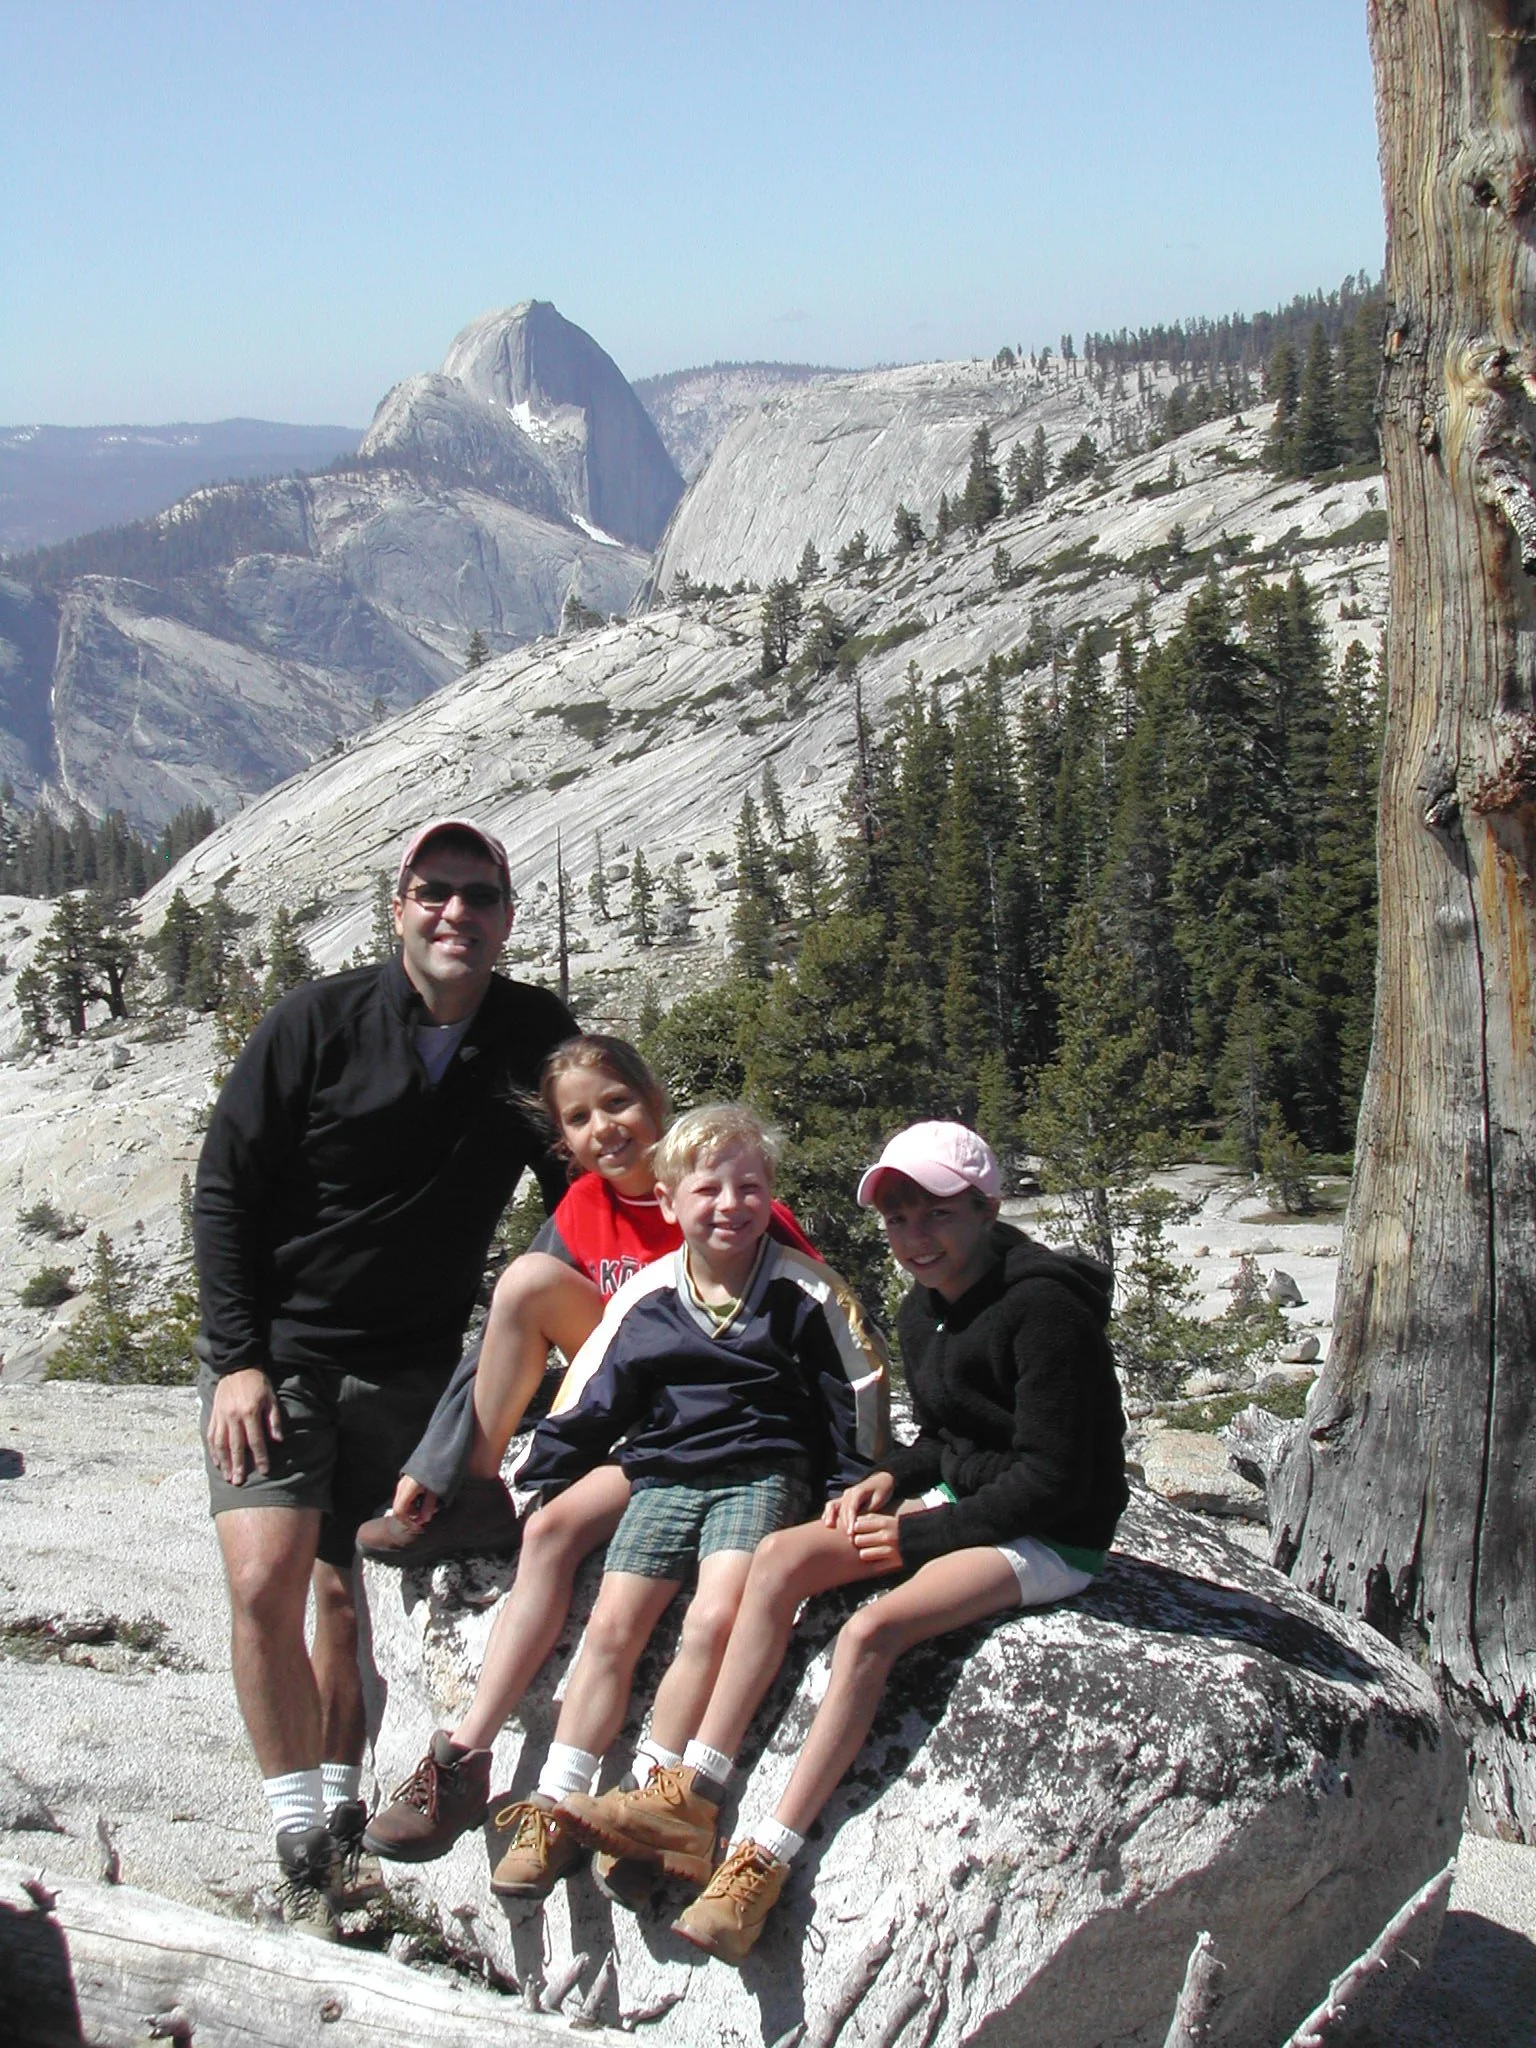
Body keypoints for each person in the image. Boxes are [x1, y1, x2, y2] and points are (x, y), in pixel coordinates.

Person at [559, 1120, 1127, 1964]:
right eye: (897, 1219)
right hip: (970, 1497)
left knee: (871, 1631)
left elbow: (1055, 1481)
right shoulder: (923, 1306)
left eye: (935, 1215)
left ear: (985, 1207)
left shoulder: (1043, 1311)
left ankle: (763, 1865)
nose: (914, 1239)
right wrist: (891, 1477)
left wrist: (918, 1534)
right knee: (781, 1557)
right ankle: (687, 1800)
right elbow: (949, 1431)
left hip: (1052, 1535)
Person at [194, 817, 576, 1934]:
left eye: (479, 894)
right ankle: (295, 1820)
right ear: (398, 906)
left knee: (339, 1590)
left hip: (416, 1367)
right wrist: (236, 1363)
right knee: (269, 1577)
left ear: (507, 914)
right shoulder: (315, 1022)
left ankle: (346, 1807)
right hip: (285, 1359)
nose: (455, 911)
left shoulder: (531, 1033)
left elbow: (584, 1184)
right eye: (433, 890)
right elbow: (225, 1189)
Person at [388, 1104, 889, 1905]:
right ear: (669, 1204)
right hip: (662, 1474)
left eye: (751, 1188)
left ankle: (655, 1798)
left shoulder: (804, 1291)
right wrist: (546, 1469)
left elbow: (855, 1385)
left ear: (773, 1196)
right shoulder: (650, 1296)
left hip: (761, 1475)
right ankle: (555, 1802)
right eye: (708, 1191)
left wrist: (851, 1480)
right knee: (613, 1628)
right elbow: (595, 1392)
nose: (731, 1205)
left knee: (712, 1618)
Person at [356, 1036, 815, 1565]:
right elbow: (502, 1331)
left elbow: (825, 1306)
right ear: (563, 1141)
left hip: (722, 1400)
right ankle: (477, 1498)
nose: (603, 1128)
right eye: (578, 1118)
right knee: (527, 1281)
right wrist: (436, 1461)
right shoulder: (584, 1206)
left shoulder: (720, 1197)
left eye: (618, 1102)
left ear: (655, 1100)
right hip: (637, 1387)